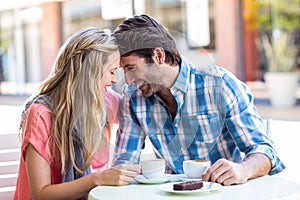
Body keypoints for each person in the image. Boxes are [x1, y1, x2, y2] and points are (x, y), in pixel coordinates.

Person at [111, 15, 285, 186]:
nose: (128, 80)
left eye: (131, 68)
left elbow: (265, 152)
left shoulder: (220, 84)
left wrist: (243, 170)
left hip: (226, 193)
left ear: (158, 55)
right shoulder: (133, 97)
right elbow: (124, 162)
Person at [14, 27, 140, 200]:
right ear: (89, 71)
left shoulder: (105, 100)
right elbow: (40, 194)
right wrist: (97, 179)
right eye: (111, 71)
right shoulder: (41, 114)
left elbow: (139, 110)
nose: (115, 80)